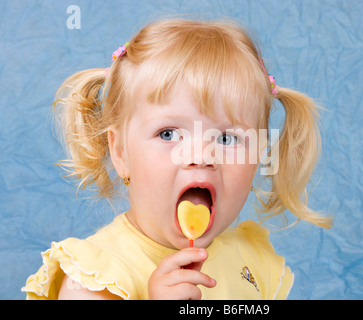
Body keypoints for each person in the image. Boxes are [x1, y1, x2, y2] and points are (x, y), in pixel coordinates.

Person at [22, 18, 332, 300]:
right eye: (168, 134)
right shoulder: (95, 279)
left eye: (226, 139)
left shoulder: (252, 261)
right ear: (120, 153)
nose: (200, 156)